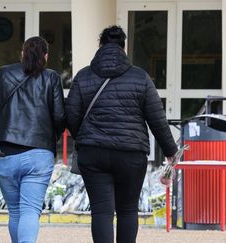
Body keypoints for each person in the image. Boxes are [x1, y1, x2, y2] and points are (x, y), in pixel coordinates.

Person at [65, 25, 178, 243]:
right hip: (131, 155)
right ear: (123, 48)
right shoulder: (140, 77)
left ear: (100, 47)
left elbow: (71, 115)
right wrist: (170, 150)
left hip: (93, 154)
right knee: (127, 210)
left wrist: (85, 138)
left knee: (101, 212)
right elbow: (157, 118)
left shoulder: (83, 76)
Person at [0, 36, 66, 243]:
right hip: (39, 152)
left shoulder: (1, 74)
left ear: (22, 53)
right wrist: (49, 138)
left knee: (16, 211)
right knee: (30, 210)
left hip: (5, 153)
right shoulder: (51, 77)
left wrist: (2, 134)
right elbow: (59, 117)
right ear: (46, 56)